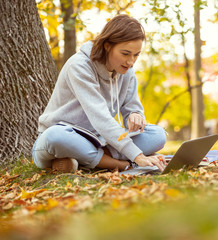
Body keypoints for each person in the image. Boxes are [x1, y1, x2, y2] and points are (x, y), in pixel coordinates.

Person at [32, 14, 167, 173]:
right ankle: (121, 164)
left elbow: (132, 107)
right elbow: (100, 117)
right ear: (107, 45)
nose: (131, 62)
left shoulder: (126, 71)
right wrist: (137, 155)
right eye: (125, 53)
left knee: (158, 134)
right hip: (63, 137)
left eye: (136, 55)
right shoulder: (79, 66)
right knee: (55, 136)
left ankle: (81, 161)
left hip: (101, 141)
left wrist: (135, 114)